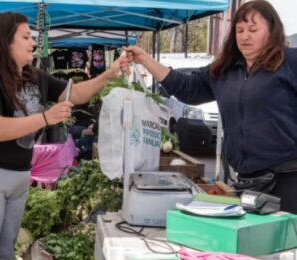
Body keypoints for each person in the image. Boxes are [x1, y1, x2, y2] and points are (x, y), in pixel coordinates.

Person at [0, 12, 123, 260]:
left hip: (18, 174)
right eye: (26, 37)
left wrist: (110, 74)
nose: (33, 42)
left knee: (5, 253)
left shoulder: (33, 75)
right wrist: (45, 117)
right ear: (4, 42)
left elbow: (73, 94)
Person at [121, 0, 297, 213]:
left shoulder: (289, 62)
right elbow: (188, 88)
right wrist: (146, 60)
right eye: (239, 30)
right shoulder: (226, 69)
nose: (244, 36)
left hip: (288, 178)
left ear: (271, 32)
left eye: (253, 29)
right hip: (247, 181)